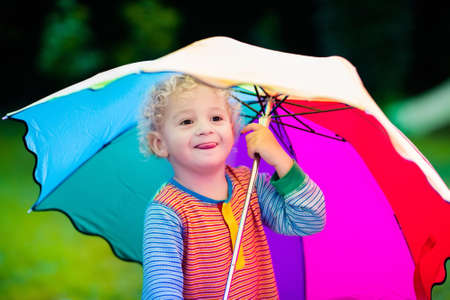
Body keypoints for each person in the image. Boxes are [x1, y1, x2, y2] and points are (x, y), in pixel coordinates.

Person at [138, 74, 326, 299]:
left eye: (216, 118)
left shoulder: (250, 186)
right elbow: (162, 289)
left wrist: (280, 159)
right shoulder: (167, 212)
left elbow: (310, 219)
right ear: (160, 144)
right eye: (187, 121)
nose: (205, 129)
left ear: (233, 129)